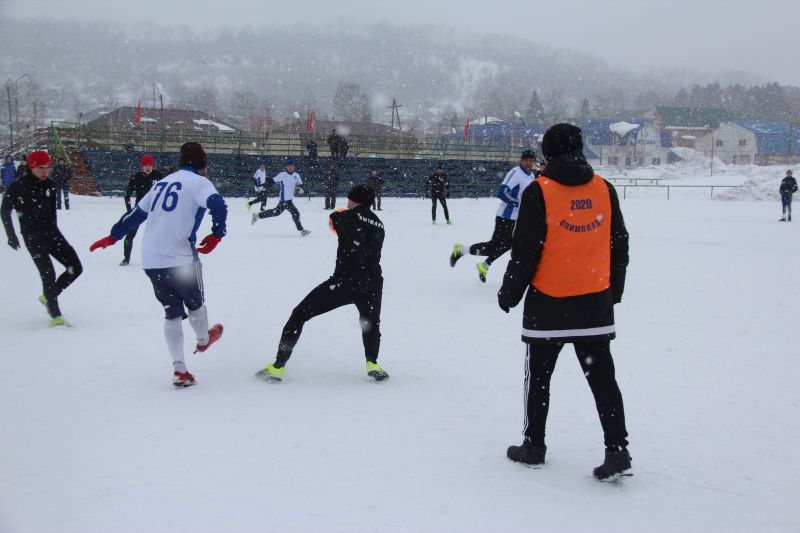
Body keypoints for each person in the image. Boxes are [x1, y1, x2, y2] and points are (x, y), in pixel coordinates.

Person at [498, 124, 632, 481]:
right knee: (603, 380)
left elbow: (525, 251)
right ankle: (617, 450)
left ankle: (534, 446)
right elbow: (619, 242)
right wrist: (613, 291)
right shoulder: (604, 188)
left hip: (549, 304)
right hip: (593, 302)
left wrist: (509, 293)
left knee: (538, 379)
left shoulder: (539, 191)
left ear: (548, 153)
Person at [89, 142, 228, 387]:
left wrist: (113, 236)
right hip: (180, 258)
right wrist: (217, 234)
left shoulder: (162, 183)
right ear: (203, 164)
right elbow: (218, 204)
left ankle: (180, 370)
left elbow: (135, 215)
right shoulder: (200, 182)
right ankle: (204, 340)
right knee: (196, 304)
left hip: (152, 259)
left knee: (172, 313)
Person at [255, 184, 388, 382]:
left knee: (299, 314)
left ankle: (277, 367)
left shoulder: (345, 216)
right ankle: (372, 362)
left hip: (344, 282)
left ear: (354, 200)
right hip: (372, 283)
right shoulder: (379, 223)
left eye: (349, 199)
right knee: (371, 324)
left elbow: (333, 220)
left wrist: (344, 221)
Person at [1, 150, 83, 327]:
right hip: (32, 236)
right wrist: (11, 235)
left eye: (47, 167)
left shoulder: (50, 185)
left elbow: (52, 213)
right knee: (48, 273)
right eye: (40, 168)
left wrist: (56, 233)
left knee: (76, 267)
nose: (45, 171)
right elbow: (4, 211)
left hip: (52, 233)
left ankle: (48, 296)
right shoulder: (17, 186)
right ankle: (56, 316)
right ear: (31, 167)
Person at [450, 150, 536, 283]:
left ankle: (485, 265)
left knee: (507, 245)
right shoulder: (515, 173)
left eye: (531, 160)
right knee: (493, 247)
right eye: (527, 160)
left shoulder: (531, 176)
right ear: (521, 160)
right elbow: (502, 192)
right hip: (505, 217)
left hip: (516, 218)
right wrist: (516, 203)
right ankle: (461, 250)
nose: (529, 163)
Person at [121, 154, 164, 266]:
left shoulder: (159, 176)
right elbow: (127, 195)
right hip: (139, 210)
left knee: (159, 234)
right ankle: (126, 258)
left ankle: (160, 259)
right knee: (130, 234)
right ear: (142, 166)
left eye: (150, 165)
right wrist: (129, 210)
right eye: (145, 165)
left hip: (155, 210)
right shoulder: (136, 177)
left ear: (153, 166)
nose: (148, 168)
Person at [251, 159, 311, 236]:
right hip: (284, 199)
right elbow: (272, 181)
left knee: (277, 212)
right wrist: (265, 184)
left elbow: (300, 185)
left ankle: (257, 216)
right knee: (293, 213)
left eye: (291, 166)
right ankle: (302, 231)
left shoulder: (296, 175)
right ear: (286, 167)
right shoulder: (282, 175)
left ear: (294, 167)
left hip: (289, 200)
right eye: (289, 166)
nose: (290, 167)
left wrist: (301, 189)